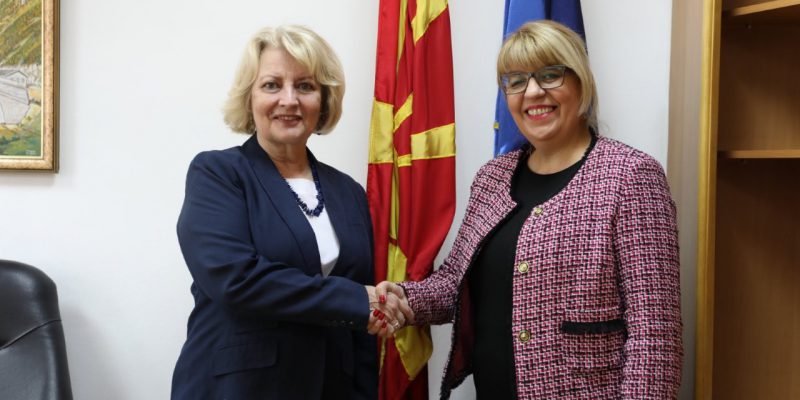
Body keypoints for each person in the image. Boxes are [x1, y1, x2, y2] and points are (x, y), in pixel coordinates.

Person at [377, 20, 683, 399]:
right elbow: (455, 280)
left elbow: (655, 333)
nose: (533, 92)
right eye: (516, 81)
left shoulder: (631, 176)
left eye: (550, 75)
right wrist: (403, 299)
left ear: (581, 83)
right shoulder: (491, 178)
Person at [170, 25, 407, 400]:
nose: (289, 100)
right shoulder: (217, 174)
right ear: (249, 97)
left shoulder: (349, 193)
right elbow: (237, 279)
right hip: (239, 389)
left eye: (305, 86)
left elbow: (361, 328)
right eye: (272, 85)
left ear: (323, 100)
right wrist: (355, 299)